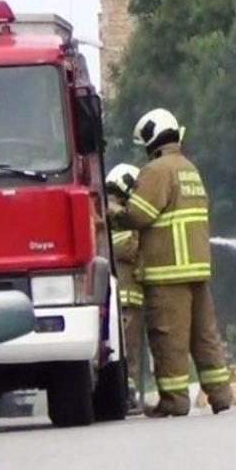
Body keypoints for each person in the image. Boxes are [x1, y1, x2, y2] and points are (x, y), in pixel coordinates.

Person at [111, 108, 233, 417]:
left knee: (168, 338)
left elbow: (139, 214)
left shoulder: (156, 171)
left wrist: (114, 213)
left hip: (167, 272)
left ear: (152, 140)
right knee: (204, 335)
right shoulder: (189, 168)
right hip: (197, 269)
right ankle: (220, 395)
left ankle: (174, 400)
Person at [105, 163, 145, 413]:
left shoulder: (113, 212)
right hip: (126, 298)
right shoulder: (114, 215)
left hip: (127, 297)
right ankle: (126, 395)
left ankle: (127, 392)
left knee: (129, 351)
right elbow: (128, 247)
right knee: (127, 352)